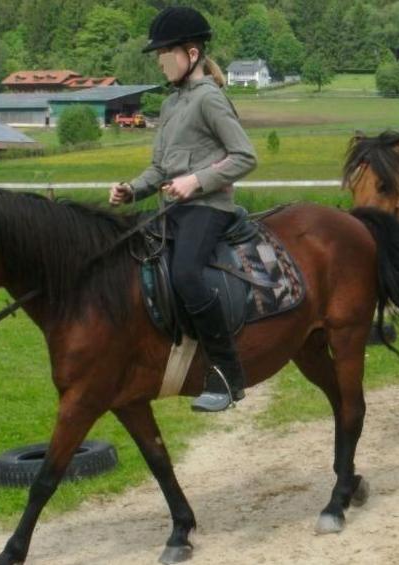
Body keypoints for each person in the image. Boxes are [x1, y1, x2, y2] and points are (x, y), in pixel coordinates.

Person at [109, 6, 257, 412]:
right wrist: (131, 189)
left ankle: (227, 375)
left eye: (163, 53)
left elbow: (245, 156)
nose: (158, 62)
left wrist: (197, 180)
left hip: (209, 207)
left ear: (190, 54)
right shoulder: (172, 104)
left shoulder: (210, 99)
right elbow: (160, 167)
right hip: (173, 207)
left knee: (186, 274)